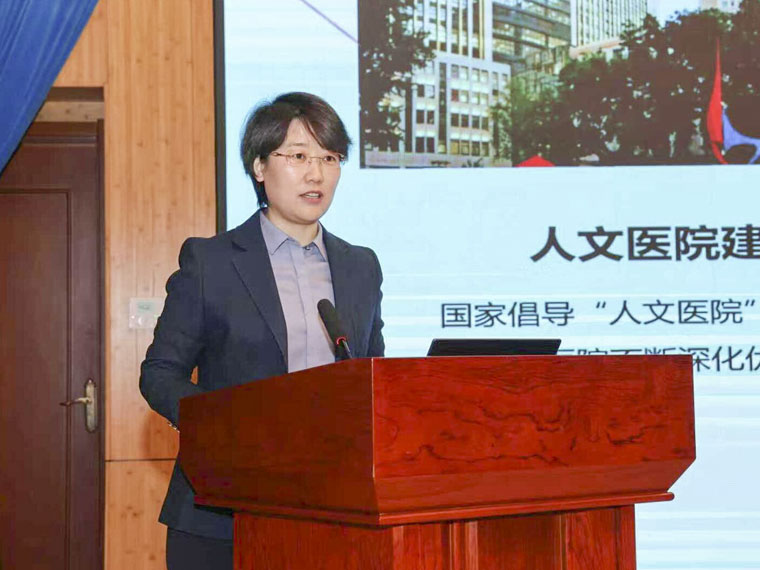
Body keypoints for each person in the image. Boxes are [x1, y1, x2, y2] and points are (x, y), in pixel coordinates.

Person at [139, 92, 385, 570]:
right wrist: (223, 429)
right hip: (223, 510)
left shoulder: (361, 267)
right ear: (258, 166)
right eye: (298, 156)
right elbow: (160, 373)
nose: (316, 174)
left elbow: (372, 375)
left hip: (337, 507)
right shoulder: (211, 262)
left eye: (330, 158)